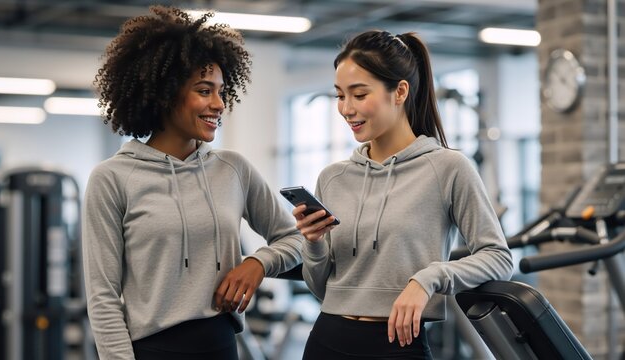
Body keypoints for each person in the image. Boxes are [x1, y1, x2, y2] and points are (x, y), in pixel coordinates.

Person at [82, 6, 303, 359]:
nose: (218, 104)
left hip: (221, 345)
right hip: (151, 349)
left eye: (220, 91)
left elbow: (293, 239)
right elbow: (103, 296)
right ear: (165, 92)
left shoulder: (233, 169)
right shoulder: (112, 179)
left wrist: (258, 263)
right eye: (204, 91)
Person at [293, 30, 514, 359]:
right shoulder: (333, 177)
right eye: (340, 95)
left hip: (399, 345)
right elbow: (321, 287)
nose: (346, 108)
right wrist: (312, 244)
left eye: (359, 94)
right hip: (327, 339)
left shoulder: (448, 168)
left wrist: (428, 279)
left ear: (399, 91)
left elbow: (499, 258)